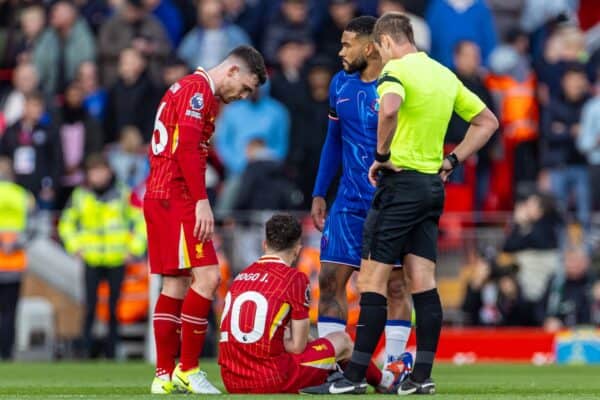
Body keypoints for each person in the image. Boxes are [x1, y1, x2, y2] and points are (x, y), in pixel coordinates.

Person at [303, 12, 498, 395]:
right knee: (422, 282)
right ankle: (420, 377)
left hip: (394, 187)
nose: (341, 51)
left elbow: (389, 109)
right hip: (428, 186)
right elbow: (488, 120)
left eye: (348, 44)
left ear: (384, 43)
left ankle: (356, 376)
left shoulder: (397, 74)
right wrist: (452, 161)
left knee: (375, 281)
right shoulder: (442, 73)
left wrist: (380, 153)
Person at [144, 45, 266, 395]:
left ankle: (164, 376)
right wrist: (201, 201)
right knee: (209, 276)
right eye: (244, 87)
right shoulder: (199, 94)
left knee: (176, 284)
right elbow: (185, 150)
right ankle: (189, 368)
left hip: (160, 194)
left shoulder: (185, 88)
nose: (242, 96)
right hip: (177, 196)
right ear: (232, 71)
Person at [310, 15, 413, 383]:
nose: (341, 51)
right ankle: (331, 369)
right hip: (348, 202)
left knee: (397, 285)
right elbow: (332, 142)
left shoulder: (397, 86)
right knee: (330, 280)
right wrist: (321, 191)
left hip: (390, 202)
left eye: (346, 43)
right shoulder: (340, 84)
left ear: (369, 47)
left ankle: (394, 371)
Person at [219, 214, 398, 393]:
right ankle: (383, 381)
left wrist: (273, 341)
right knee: (342, 340)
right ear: (297, 249)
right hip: (270, 379)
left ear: (264, 244)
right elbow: (298, 346)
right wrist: (275, 342)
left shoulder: (241, 278)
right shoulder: (293, 278)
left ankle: (343, 375)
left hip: (231, 381)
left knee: (299, 338)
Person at [58, 153, 146, 358]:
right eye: (94, 172)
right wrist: (75, 247)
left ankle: (111, 351)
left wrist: (134, 248)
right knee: (89, 306)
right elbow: (66, 223)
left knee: (114, 308)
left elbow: (141, 221)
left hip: (116, 258)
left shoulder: (124, 194)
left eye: (101, 171)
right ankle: (86, 351)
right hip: (92, 258)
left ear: (109, 171)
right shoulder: (80, 196)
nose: (98, 176)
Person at [0, 157, 33, 360]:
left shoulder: (23, 196)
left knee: (10, 312)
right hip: (14, 262)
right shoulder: (24, 196)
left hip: (13, 265)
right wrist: (17, 242)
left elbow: (34, 225)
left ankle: (6, 351)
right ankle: (6, 352)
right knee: (10, 313)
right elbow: (35, 226)